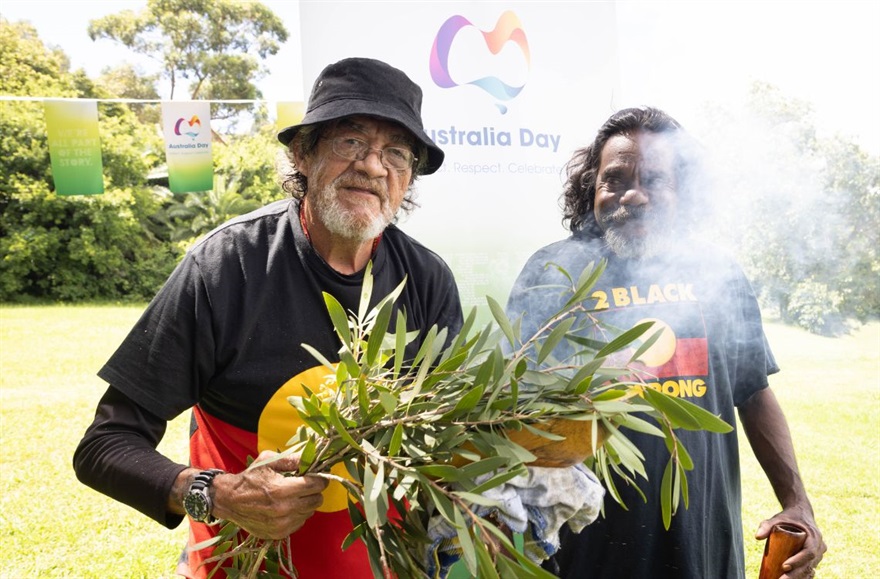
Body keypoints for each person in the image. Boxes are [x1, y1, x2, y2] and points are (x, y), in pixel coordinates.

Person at [73, 57, 463, 579]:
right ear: (302, 153)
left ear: (409, 178)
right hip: (244, 566)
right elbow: (104, 446)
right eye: (351, 141)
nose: (373, 166)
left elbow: (450, 442)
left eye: (396, 152)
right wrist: (216, 494)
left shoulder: (426, 280)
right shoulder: (226, 266)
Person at [505, 107, 826, 578]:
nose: (633, 195)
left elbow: (753, 392)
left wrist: (797, 503)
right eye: (614, 179)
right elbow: (513, 405)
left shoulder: (718, 273)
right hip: (585, 553)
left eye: (655, 180)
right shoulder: (551, 272)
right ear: (591, 186)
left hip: (701, 547)